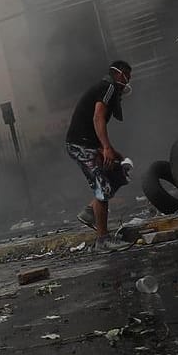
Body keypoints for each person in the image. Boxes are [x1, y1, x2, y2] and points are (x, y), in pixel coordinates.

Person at [64, 61, 134, 244]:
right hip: (80, 145)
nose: (128, 82)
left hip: (88, 144)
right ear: (120, 74)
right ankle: (103, 240)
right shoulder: (108, 86)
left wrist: (110, 150)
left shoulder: (106, 87)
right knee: (103, 186)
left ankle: (89, 212)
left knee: (118, 172)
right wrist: (106, 148)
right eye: (128, 77)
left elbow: (94, 124)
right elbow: (97, 117)